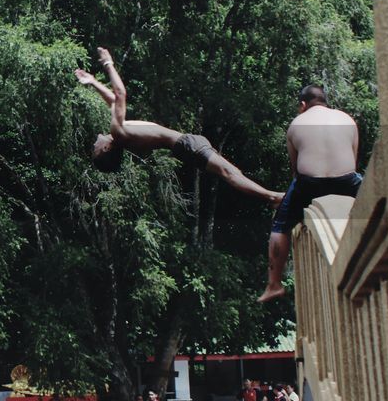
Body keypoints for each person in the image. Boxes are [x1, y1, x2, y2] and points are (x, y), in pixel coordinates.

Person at [76, 49, 283, 205]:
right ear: (106, 149)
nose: (94, 141)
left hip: (186, 145)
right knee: (229, 173)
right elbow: (120, 94)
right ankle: (273, 197)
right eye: (95, 148)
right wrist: (108, 63)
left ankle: (272, 197)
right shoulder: (117, 133)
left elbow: (113, 101)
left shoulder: (120, 134)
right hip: (186, 145)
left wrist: (93, 82)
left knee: (231, 172)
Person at [259, 85, 361, 302]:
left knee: (280, 227)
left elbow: (295, 170)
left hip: (309, 183)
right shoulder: (347, 119)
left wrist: (293, 200)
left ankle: (274, 284)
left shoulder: (296, 124)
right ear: (325, 101)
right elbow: (353, 159)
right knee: (363, 184)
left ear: (303, 105)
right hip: (346, 180)